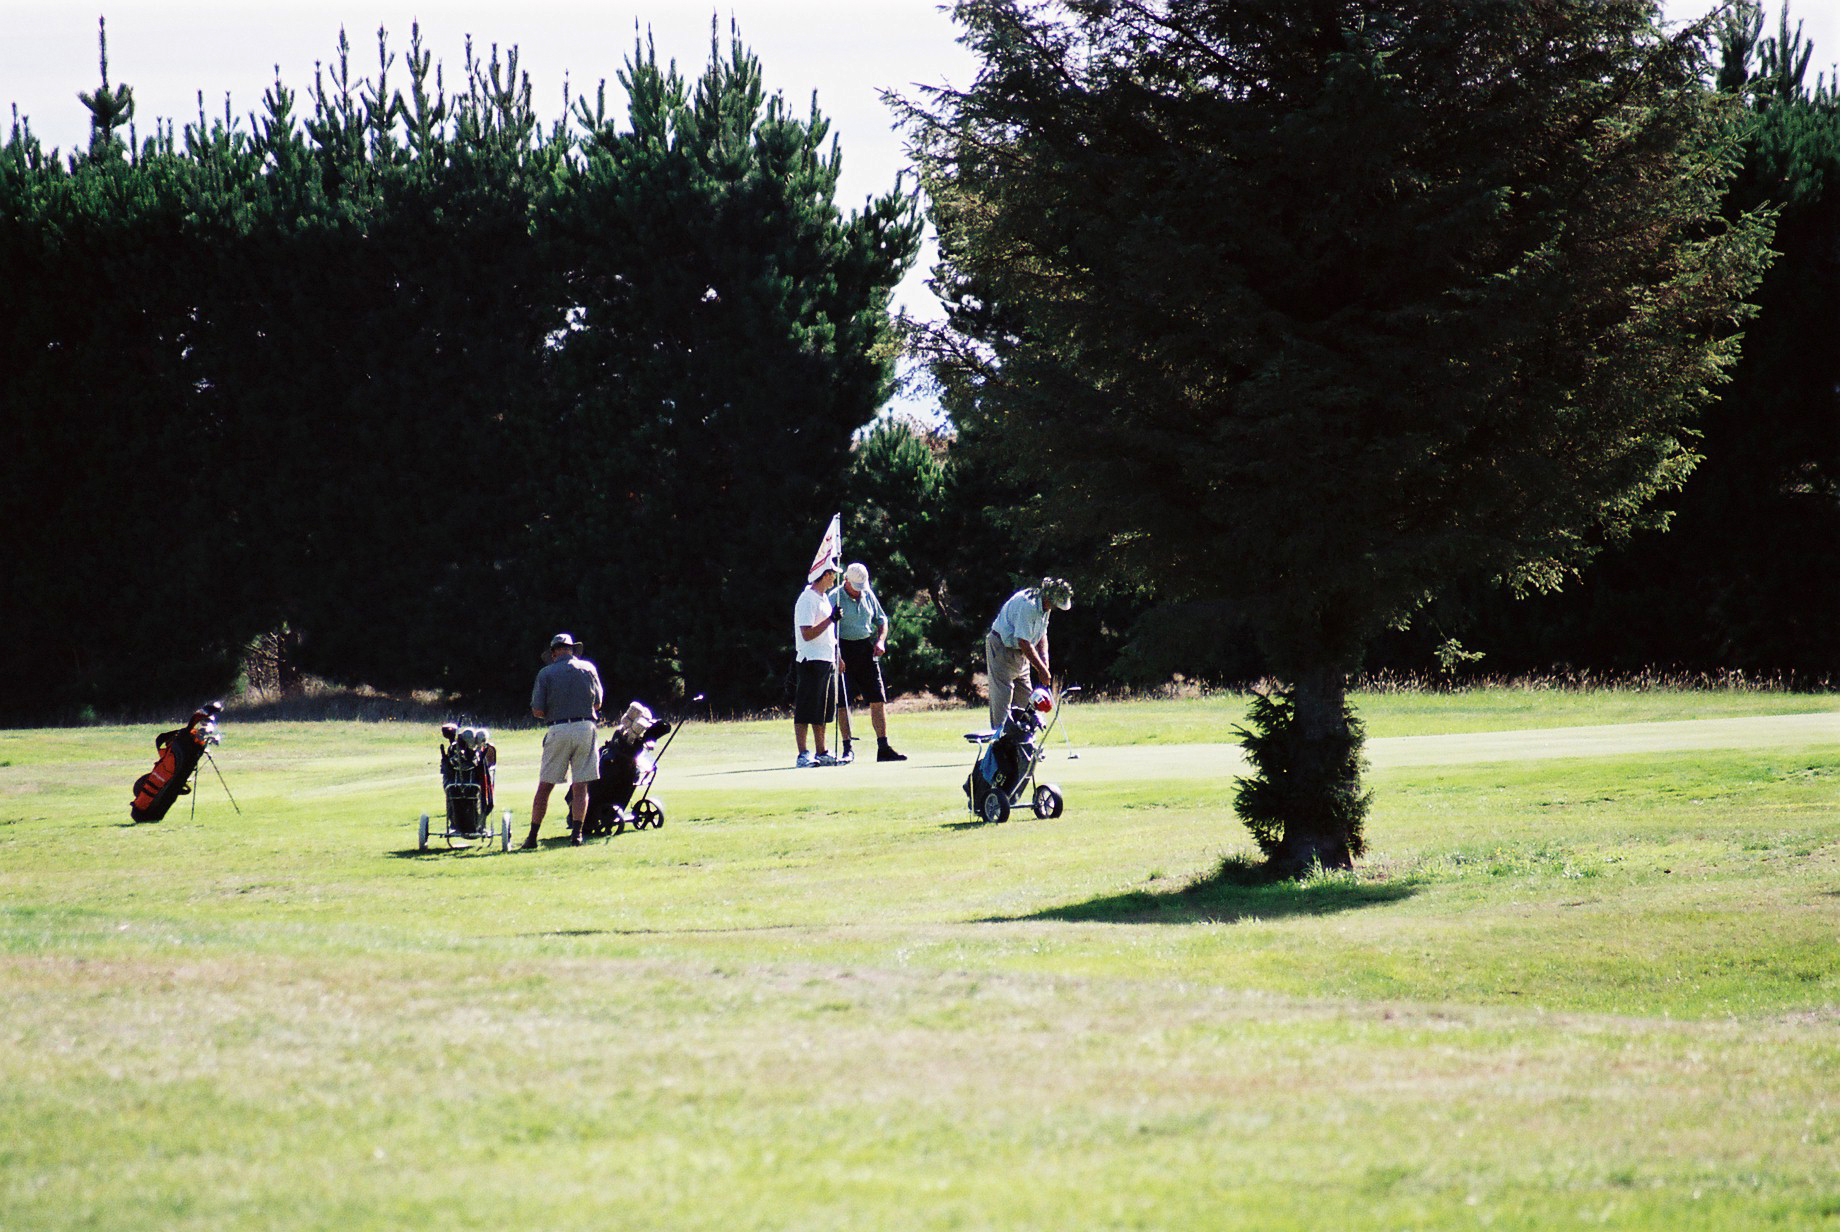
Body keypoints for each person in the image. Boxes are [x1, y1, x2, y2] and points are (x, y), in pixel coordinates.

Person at [521, 632, 603, 848]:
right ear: (572, 650)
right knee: (580, 784)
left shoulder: (546, 673)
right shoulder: (589, 669)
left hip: (558, 729)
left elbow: (537, 710)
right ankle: (576, 835)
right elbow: (598, 704)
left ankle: (532, 837)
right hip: (586, 727)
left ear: (555, 652)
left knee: (545, 785)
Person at [832, 562, 905, 763]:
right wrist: (836, 654)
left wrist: (881, 641)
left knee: (877, 697)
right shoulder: (834, 597)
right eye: (855, 587)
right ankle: (847, 748)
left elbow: (882, 620)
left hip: (865, 648)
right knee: (843, 702)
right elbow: (828, 630)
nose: (858, 592)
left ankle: (883, 747)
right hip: (842, 650)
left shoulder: (868, 594)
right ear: (845, 580)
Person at [984, 577, 1072, 729]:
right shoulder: (1029, 605)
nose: (1055, 608)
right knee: (1002, 702)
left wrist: (1044, 663)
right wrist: (1041, 670)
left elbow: (1042, 634)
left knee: (1027, 701)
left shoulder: (1045, 607)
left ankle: (1024, 746)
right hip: (1001, 649)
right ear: (1048, 597)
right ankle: (999, 746)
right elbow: (1023, 641)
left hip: (1021, 653)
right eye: (1055, 604)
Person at [793, 562, 843, 767]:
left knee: (822, 710)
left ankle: (821, 751)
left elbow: (829, 635)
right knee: (806, 708)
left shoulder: (823, 599)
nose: (834, 579)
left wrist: (837, 656)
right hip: (810, 659)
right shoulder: (807, 599)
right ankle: (803, 754)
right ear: (825, 575)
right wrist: (830, 619)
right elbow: (807, 633)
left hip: (825, 659)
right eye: (832, 575)